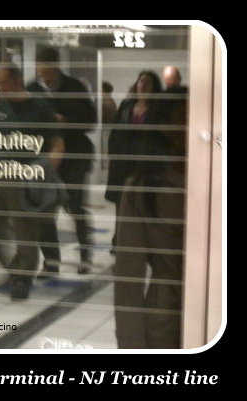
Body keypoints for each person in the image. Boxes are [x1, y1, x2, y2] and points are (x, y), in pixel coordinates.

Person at [0, 63, 65, 300]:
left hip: (27, 176)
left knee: (26, 233)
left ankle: (22, 278)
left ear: (17, 81)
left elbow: (57, 145)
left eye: (3, 82)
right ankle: (14, 268)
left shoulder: (39, 106)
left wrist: (42, 172)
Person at [113, 86, 187, 348]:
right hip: (166, 320)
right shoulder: (144, 188)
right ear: (166, 126)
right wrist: (132, 344)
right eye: (185, 118)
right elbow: (128, 277)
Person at [26, 47, 97, 276]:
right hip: (45, 158)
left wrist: (65, 121)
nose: (45, 73)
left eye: (49, 68)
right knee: (46, 210)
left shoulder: (74, 87)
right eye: (41, 68)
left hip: (74, 155)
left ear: (57, 67)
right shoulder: (32, 90)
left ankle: (85, 256)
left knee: (75, 205)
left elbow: (90, 120)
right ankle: (51, 261)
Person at [105, 70, 163, 254]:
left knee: (143, 204)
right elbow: (115, 132)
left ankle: (142, 242)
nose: (143, 86)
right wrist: (113, 154)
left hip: (144, 165)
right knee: (121, 205)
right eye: (140, 81)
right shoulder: (126, 105)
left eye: (147, 83)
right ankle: (119, 240)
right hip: (123, 163)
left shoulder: (157, 110)